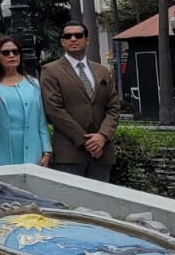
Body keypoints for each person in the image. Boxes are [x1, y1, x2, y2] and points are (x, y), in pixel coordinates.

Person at [40, 20, 122, 181]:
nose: (73, 39)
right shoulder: (50, 71)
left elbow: (113, 108)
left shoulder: (102, 71)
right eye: (68, 36)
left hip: (102, 153)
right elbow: (54, 110)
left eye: (78, 35)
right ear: (63, 41)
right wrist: (86, 141)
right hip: (69, 154)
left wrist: (102, 136)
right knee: (71, 205)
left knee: (100, 203)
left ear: (87, 40)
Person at [0, 35, 52, 168]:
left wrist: (47, 151)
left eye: (15, 52)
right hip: (1, 152)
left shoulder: (33, 83)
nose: (12, 55)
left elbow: (41, 121)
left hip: (33, 152)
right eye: (6, 53)